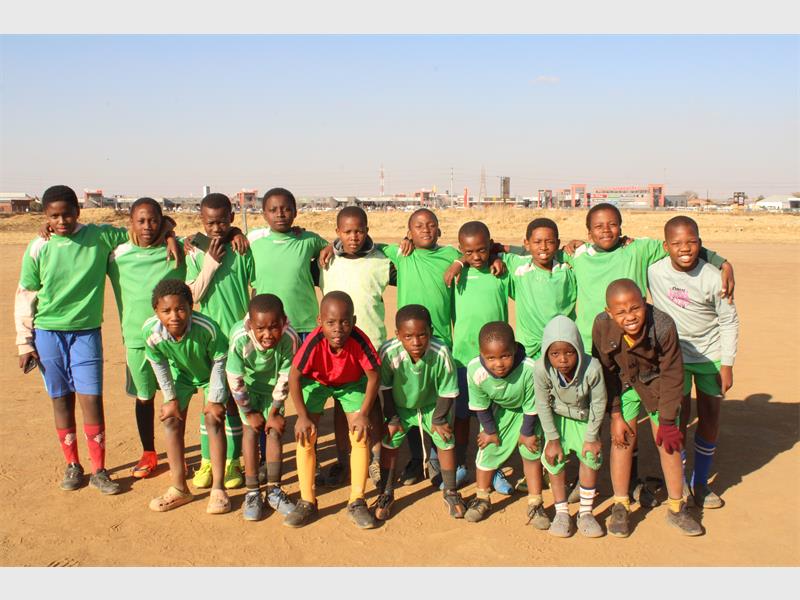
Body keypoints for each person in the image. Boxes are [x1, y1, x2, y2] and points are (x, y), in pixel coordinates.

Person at [563, 202, 735, 506]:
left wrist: (723, 262)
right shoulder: (578, 256)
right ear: (587, 232)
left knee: (630, 414)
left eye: (613, 224)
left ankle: (633, 483)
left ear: (622, 226)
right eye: (599, 226)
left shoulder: (639, 250)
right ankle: (584, 478)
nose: (607, 230)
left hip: (638, 351)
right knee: (591, 417)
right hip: (595, 351)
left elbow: (683, 246)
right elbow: (537, 254)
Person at [15, 185, 177, 494]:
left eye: (66, 214)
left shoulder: (100, 237)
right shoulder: (39, 245)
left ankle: (100, 470)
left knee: (91, 398)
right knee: (61, 400)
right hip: (48, 332)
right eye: (54, 216)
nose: (61, 221)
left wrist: (168, 230)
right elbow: (26, 294)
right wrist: (25, 342)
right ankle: (73, 464)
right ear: (46, 217)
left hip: (87, 331)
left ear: (78, 212)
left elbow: (142, 226)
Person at [592, 278, 703, 537]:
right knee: (621, 440)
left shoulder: (663, 326)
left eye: (635, 308)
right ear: (609, 312)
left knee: (668, 443)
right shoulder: (601, 325)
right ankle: (620, 504)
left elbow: (673, 373)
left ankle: (677, 507)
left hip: (657, 384)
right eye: (620, 311)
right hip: (624, 384)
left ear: (645, 301)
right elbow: (605, 371)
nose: (629, 316)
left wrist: (666, 421)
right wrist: (616, 413)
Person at [648, 216, 739, 509]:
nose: (684, 249)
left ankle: (701, 482)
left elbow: (728, 320)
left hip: (709, 355)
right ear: (666, 246)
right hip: (673, 357)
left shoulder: (713, 276)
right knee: (679, 417)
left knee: (710, 417)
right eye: (676, 243)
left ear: (700, 244)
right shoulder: (654, 271)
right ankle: (682, 481)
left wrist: (727, 363)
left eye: (691, 242)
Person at [283, 291, 381, 529]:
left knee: (359, 433)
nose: (338, 329)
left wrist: (364, 413)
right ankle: (307, 501)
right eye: (331, 323)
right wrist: (303, 417)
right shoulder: (314, 341)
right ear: (320, 322)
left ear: (354, 321)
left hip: (350, 384)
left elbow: (373, 376)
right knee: (306, 434)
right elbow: (294, 377)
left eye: (345, 322)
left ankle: (357, 501)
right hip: (318, 383)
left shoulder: (359, 340)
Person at [107, 197, 187, 478]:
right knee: (144, 397)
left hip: (174, 340)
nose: (147, 226)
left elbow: (208, 238)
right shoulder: (117, 255)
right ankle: (149, 453)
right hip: (136, 340)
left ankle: (178, 453)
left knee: (175, 397)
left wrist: (171, 234)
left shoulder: (178, 251)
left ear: (161, 220)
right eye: (141, 220)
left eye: (154, 220)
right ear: (131, 222)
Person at [318, 206, 394, 487]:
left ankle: (375, 460)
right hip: (336, 347)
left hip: (370, 344)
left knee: (372, 405)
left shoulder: (382, 262)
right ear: (337, 232)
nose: (354, 236)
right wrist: (327, 247)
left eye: (359, 230)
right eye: (347, 231)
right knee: (341, 404)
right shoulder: (325, 262)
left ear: (367, 229)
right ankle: (343, 459)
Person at [185, 193, 255, 491]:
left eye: (223, 222)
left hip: (240, 341)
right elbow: (192, 295)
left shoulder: (243, 250)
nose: (216, 228)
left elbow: (257, 288)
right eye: (210, 223)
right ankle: (207, 460)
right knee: (211, 403)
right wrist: (209, 264)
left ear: (231, 219)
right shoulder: (195, 253)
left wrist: (238, 235)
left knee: (237, 404)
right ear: (202, 222)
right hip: (211, 342)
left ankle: (232, 460)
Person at [372, 304, 467, 521]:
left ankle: (450, 491)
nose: (416, 342)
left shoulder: (441, 352)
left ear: (431, 332)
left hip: (433, 406)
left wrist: (439, 419)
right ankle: (386, 493)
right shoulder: (389, 352)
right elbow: (384, 388)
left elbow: (449, 390)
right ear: (397, 334)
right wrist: (393, 417)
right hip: (401, 408)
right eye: (408, 336)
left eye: (422, 335)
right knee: (390, 440)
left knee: (445, 438)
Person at [143, 279, 231, 514]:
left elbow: (221, 360)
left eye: (181, 309)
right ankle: (180, 488)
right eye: (166, 311)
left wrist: (214, 398)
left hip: (211, 371)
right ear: (156, 311)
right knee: (171, 420)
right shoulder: (152, 333)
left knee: (213, 420)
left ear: (191, 308)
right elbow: (158, 363)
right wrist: (170, 399)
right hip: (181, 375)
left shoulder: (207, 328)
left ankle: (218, 489)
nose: (174, 316)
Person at [444, 221, 514, 495]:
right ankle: (461, 464)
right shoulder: (456, 275)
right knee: (462, 417)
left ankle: (493, 468)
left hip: (496, 362)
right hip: (463, 359)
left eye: (482, 250)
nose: (476, 257)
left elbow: (523, 251)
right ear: (461, 250)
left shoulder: (501, 272)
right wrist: (458, 263)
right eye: (469, 252)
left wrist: (498, 254)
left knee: (493, 419)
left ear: (490, 246)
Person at [226, 294, 299, 520]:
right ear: (250, 325)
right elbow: (235, 378)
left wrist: (275, 410)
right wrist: (249, 412)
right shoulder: (240, 338)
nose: (268, 334)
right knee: (250, 431)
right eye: (261, 329)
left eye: (273, 327)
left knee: (274, 432)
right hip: (247, 390)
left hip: (273, 391)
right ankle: (252, 492)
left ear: (284, 321)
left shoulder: (290, 338)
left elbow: (286, 376)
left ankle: (274, 490)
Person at [463, 322, 544, 525]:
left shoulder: (529, 369)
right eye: (490, 358)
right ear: (481, 353)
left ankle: (536, 503)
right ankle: (482, 497)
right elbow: (480, 404)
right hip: (499, 411)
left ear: (514, 350)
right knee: (488, 449)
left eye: (505, 356)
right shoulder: (474, 369)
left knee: (531, 452)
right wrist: (489, 430)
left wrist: (527, 432)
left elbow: (532, 405)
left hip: (528, 413)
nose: (498, 363)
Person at [534, 315, 607, 538]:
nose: (563, 359)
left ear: (578, 348)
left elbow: (599, 401)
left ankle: (585, 513)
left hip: (585, 418)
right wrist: (552, 439)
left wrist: (593, 436)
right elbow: (542, 403)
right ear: (547, 353)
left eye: (570, 352)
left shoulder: (592, 367)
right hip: (557, 419)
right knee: (554, 460)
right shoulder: (541, 369)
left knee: (591, 458)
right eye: (555, 353)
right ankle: (562, 512)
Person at [247, 187, 330, 341]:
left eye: (286, 209)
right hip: (269, 327)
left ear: (295, 212)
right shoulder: (254, 243)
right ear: (264, 214)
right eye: (273, 210)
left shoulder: (308, 240)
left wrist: (330, 247)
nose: (280, 214)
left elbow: (334, 247)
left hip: (305, 324)